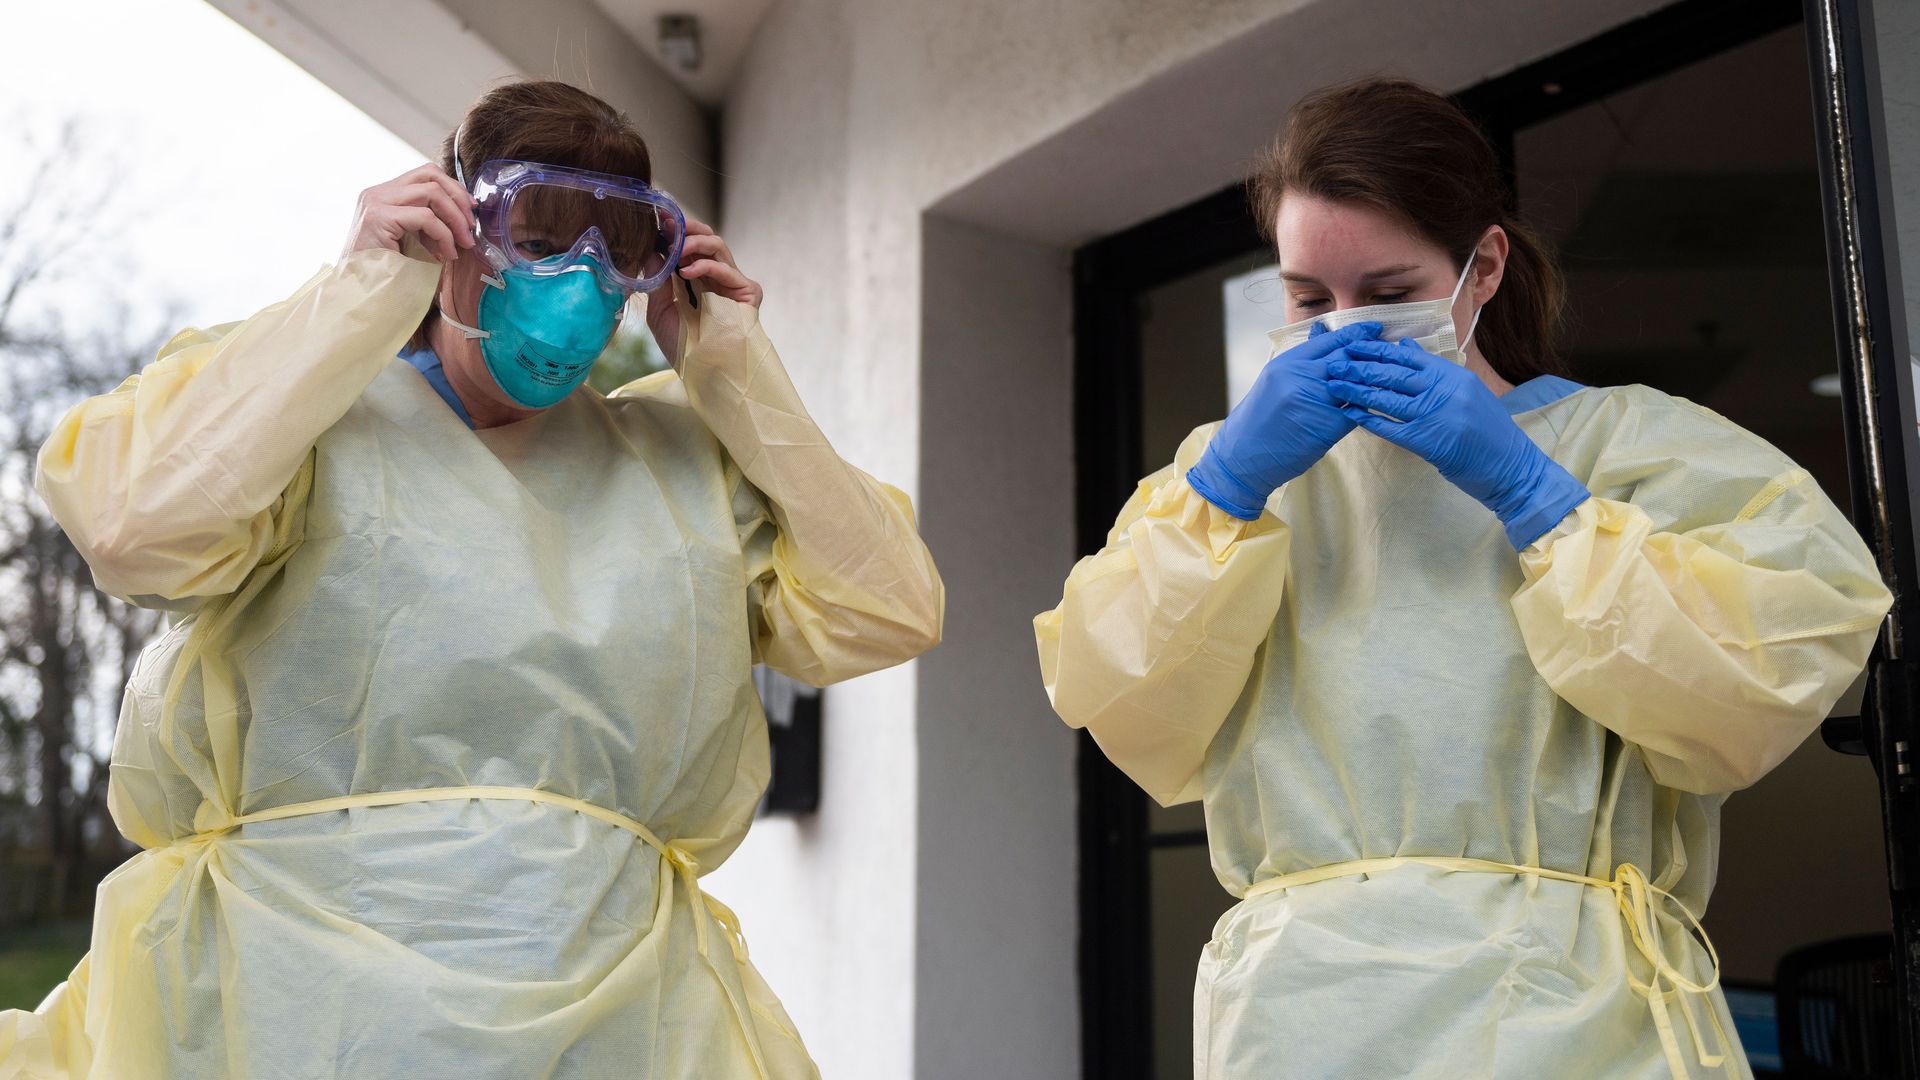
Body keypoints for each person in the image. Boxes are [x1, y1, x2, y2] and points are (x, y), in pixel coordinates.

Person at [0, 79, 942, 1079]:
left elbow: (888, 608)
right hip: (279, 1015)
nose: (580, 287)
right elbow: (135, 531)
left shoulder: (683, 461)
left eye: (616, 255)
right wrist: (359, 296)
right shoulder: (304, 418)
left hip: (617, 1021)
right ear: (456, 232)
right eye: (538, 243)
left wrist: (740, 379)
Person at [1035, 77, 1890, 1079]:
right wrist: (1223, 491)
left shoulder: (1634, 450)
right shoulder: (1235, 482)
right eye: (1309, 299)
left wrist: (1540, 499)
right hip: (1305, 1022)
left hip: (1571, 1021)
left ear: (1482, 268)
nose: (1344, 329)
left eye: (1390, 295)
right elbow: (1112, 698)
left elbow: (1772, 670)